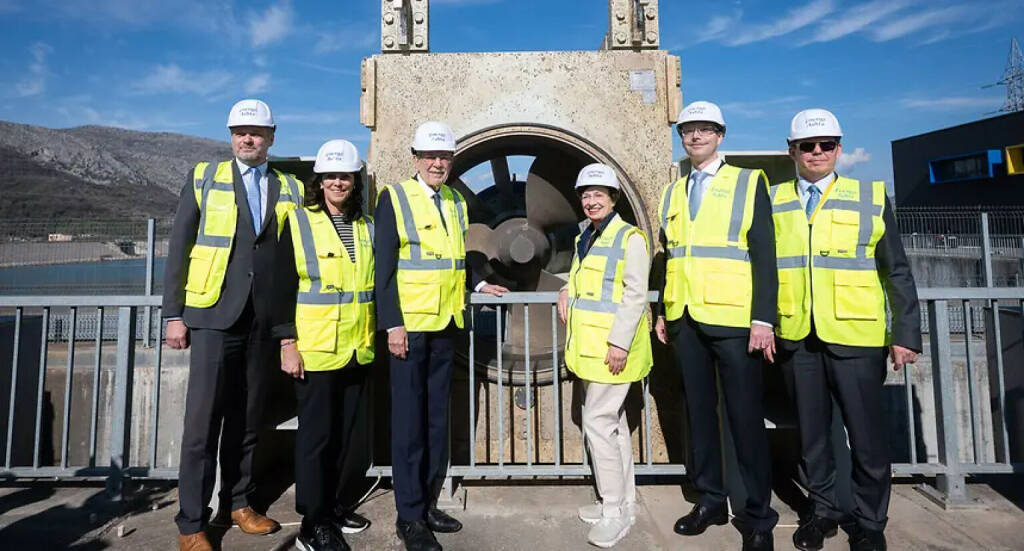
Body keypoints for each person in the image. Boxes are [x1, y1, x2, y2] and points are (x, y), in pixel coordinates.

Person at [772, 109, 920, 551]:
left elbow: (896, 270)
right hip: (799, 336)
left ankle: (870, 522)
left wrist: (905, 333)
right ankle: (823, 513)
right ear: (792, 151)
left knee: (867, 438)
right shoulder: (774, 199)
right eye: (808, 146)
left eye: (828, 145)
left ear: (839, 148)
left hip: (857, 337)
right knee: (813, 437)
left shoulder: (869, 196)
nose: (818, 153)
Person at [163, 99, 303, 551]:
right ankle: (191, 523)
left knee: (248, 421)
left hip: (262, 321)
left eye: (257, 132)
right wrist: (173, 315)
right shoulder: (206, 177)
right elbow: (180, 246)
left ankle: (238, 504)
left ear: (272, 137)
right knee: (202, 426)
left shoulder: (289, 186)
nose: (248, 138)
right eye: (241, 131)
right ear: (230, 135)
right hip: (212, 319)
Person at [374, 121, 509, 551]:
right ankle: (409, 516)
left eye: (444, 157)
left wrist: (479, 284)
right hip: (410, 330)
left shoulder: (454, 200)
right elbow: (384, 268)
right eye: (430, 157)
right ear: (415, 159)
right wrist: (393, 324)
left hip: (446, 324)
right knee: (409, 425)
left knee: (436, 420)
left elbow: (453, 256)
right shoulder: (394, 198)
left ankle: (429, 502)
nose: (437, 163)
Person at [654, 101, 778, 551]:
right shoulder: (674, 192)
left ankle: (757, 517)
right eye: (688, 130)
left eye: (705, 130)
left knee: (744, 420)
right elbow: (672, 258)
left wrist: (764, 317)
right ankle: (710, 499)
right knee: (698, 415)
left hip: (735, 321)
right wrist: (666, 312)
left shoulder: (748, 182)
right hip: (687, 320)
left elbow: (765, 254)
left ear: (720, 136)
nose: (695, 137)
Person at [273, 139, 376, 551]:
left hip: (356, 347)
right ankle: (312, 524)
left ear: (354, 182)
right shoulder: (297, 223)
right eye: (331, 176)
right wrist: (287, 343)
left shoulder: (365, 227)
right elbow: (281, 288)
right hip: (314, 350)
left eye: (345, 176)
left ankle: (332, 507)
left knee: (345, 437)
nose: (338, 182)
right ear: (320, 181)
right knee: (316, 439)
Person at [557, 164, 652, 548]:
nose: (591, 201)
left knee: (597, 423)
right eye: (585, 195)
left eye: (599, 194)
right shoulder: (589, 236)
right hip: (591, 347)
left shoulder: (630, 238)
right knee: (613, 425)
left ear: (614, 199)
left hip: (613, 350)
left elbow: (634, 293)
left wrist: (620, 343)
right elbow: (587, 280)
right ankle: (624, 502)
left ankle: (613, 512)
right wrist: (566, 288)